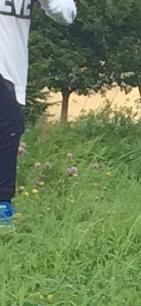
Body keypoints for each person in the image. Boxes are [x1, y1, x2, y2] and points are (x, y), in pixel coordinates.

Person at [1, 0, 76, 225]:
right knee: (8, 126)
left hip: (12, 75)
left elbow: (67, 13)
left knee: (8, 133)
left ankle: (3, 212)